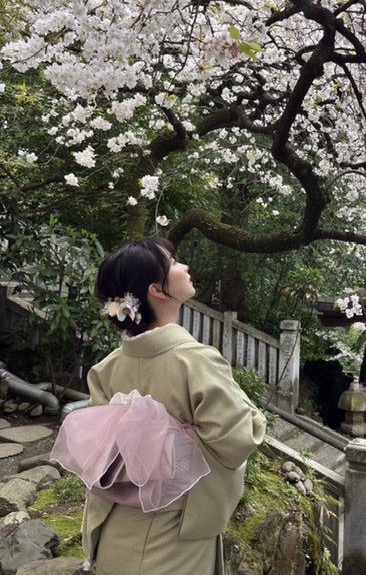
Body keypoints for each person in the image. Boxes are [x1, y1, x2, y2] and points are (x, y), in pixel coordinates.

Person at [72, 236, 266, 575]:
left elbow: (104, 458)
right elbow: (239, 440)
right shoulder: (196, 362)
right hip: (172, 542)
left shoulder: (106, 370)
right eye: (174, 262)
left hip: (118, 534)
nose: (185, 267)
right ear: (157, 291)